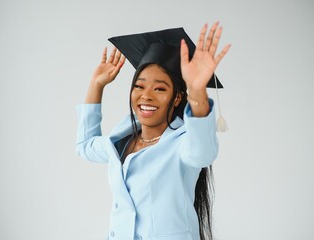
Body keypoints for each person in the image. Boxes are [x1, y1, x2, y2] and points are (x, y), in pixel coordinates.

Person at [76, 22, 230, 240]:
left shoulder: (182, 143)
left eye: (159, 89)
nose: (146, 96)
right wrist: (96, 85)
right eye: (139, 86)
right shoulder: (122, 140)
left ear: (177, 97)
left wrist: (197, 93)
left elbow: (203, 152)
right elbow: (85, 146)